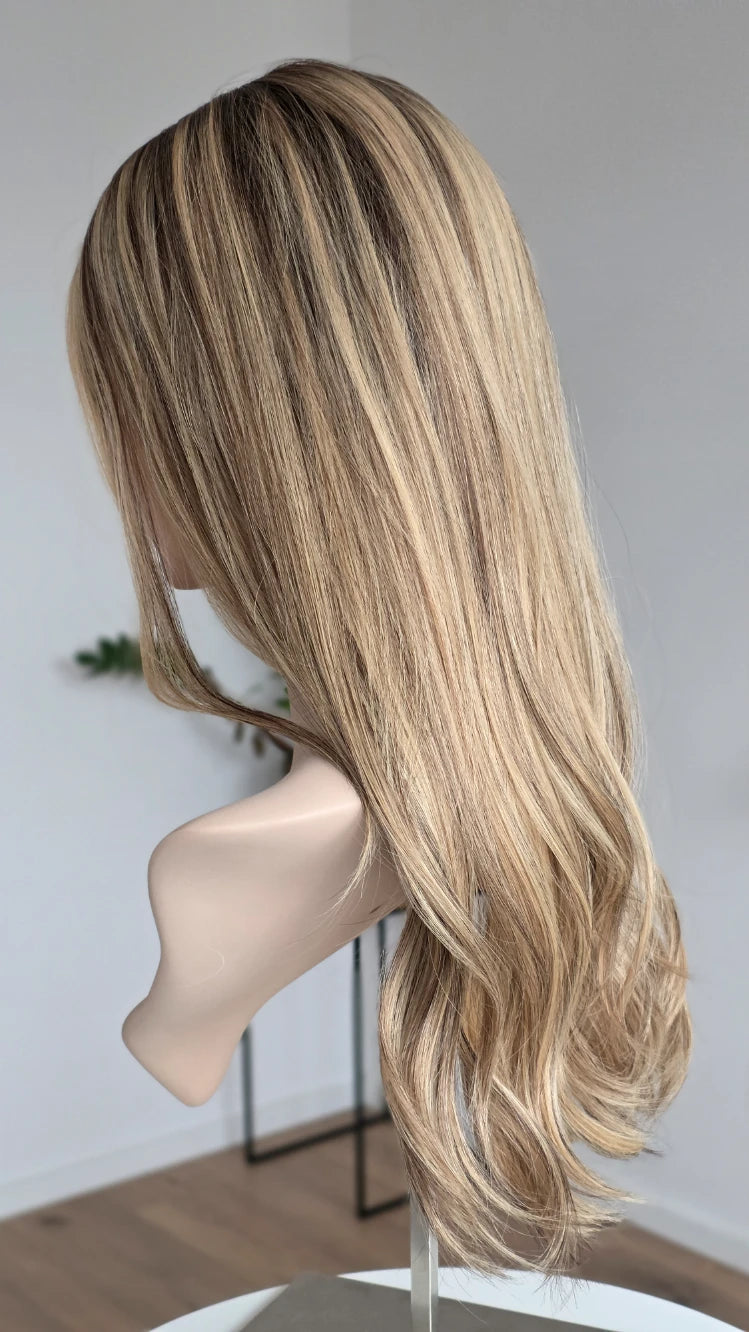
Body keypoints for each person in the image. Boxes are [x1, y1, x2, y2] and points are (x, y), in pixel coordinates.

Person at [65, 56, 692, 1278]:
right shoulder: (536, 779)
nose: (120, 461)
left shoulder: (223, 873)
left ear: (226, 436)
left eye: (127, 400)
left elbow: (170, 1046)